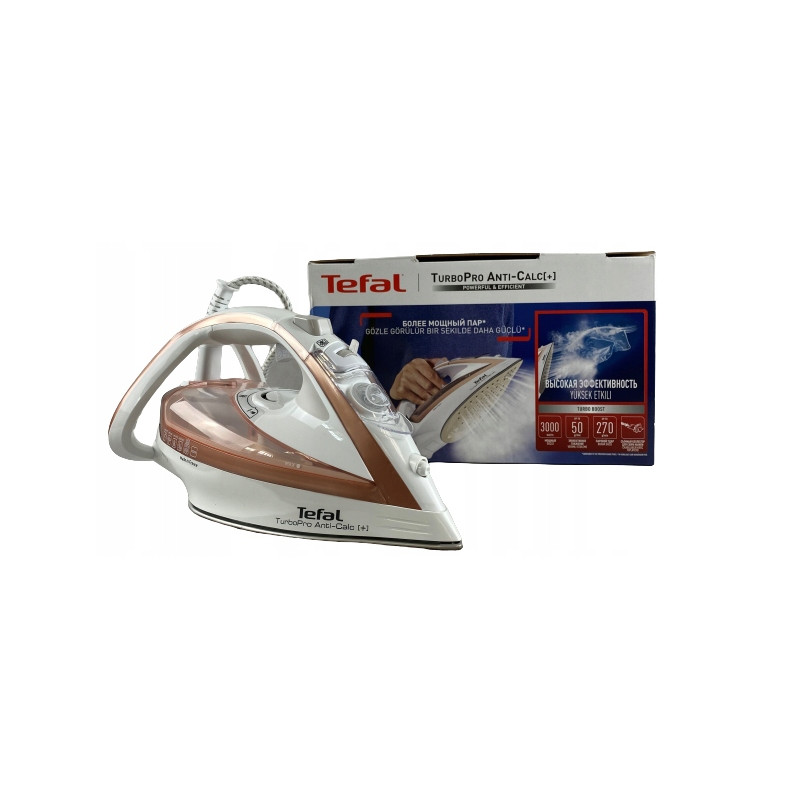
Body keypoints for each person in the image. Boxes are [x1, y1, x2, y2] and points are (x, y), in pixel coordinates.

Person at [327, 303, 515, 405]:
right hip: (398, 439)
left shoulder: (499, 277)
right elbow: (336, 368)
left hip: (484, 444)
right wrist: (393, 389)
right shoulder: (370, 268)